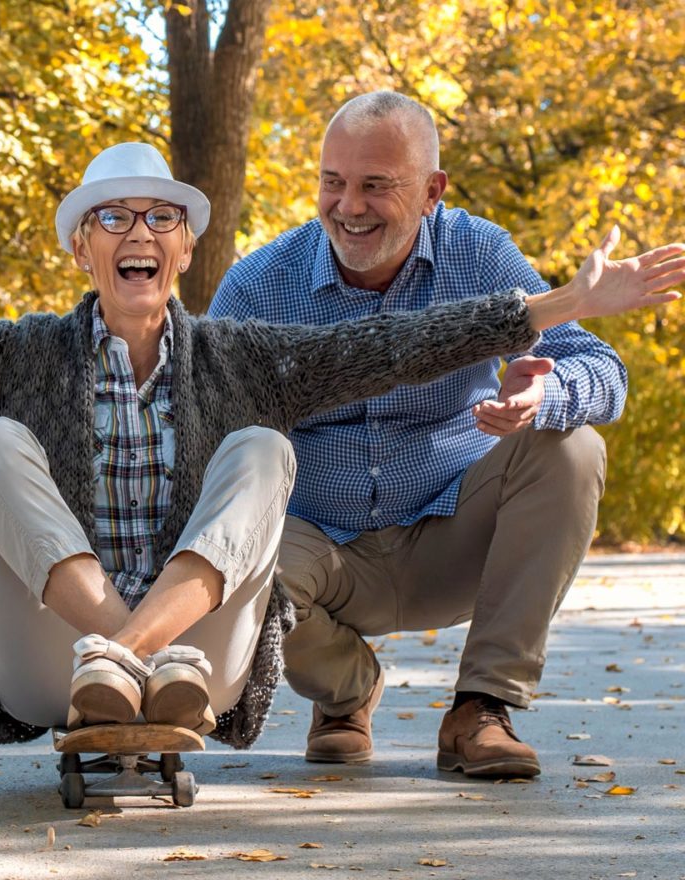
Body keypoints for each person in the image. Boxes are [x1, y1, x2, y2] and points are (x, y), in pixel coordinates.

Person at [0, 142, 684, 757]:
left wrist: (550, 305)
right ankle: (116, 651)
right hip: (53, 662)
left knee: (257, 449)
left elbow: (402, 343)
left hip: (205, 668)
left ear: (186, 249)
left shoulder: (244, 355)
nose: (136, 232)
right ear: (82, 250)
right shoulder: (15, 356)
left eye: (159, 217)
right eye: (112, 218)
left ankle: (144, 654)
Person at [209, 90, 640, 776]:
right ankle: (348, 691)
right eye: (334, 182)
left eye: (376, 186)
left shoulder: (480, 254)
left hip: (453, 537)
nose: (349, 207)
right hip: (317, 548)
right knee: (220, 556)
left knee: (573, 445)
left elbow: (602, 370)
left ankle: (482, 709)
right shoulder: (260, 285)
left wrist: (543, 393)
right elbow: (206, 436)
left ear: (432, 190)